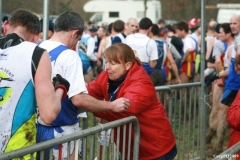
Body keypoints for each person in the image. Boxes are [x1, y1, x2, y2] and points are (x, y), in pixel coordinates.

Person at [37, 11, 130, 160]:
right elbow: (78, 99)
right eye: (77, 40)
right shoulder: (69, 55)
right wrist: (111, 106)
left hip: (36, 127)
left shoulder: (35, 48)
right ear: (74, 33)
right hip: (62, 129)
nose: (75, 44)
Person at [87, 43, 177, 160]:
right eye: (107, 62)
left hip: (154, 148)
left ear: (128, 65)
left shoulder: (141, 82)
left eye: (113, 63)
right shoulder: (106, 76)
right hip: (131, 146)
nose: (107, 67)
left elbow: (124, 110)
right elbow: (89, 91)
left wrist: (89, 105)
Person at [0, 9, 69, 158]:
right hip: (16, 151)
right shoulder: (36, 53)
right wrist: (61, 89)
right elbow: (48, 114)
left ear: (5, 25)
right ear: (37, 36)